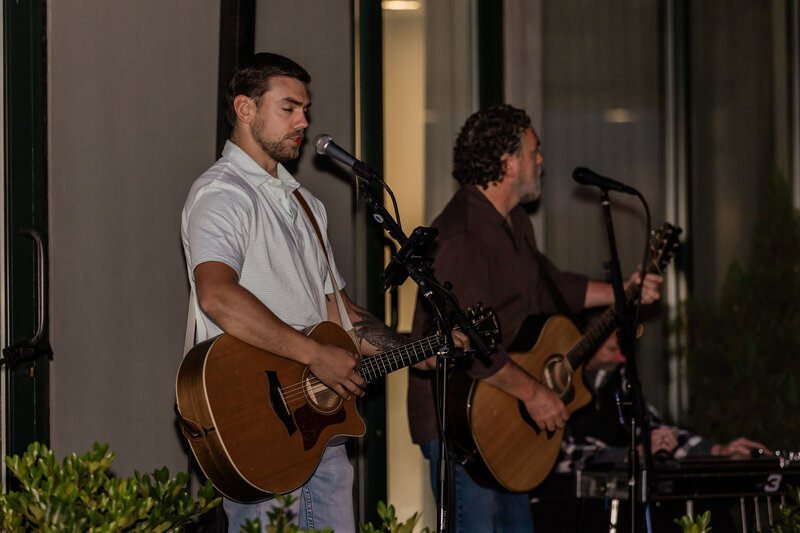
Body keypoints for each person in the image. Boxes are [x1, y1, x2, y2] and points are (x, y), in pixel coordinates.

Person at [181, 52, 456, 533]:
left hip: (322, 425)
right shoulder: (221, 193)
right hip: (258, 425)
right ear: (245, 109)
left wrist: (418, 351)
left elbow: (340, 314)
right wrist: (314, 354)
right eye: (289, 108)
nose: (303, 122)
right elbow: (217, 296)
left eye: (305, 109)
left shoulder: (305, 204)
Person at [407, 103, 663, 532]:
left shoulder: (514, 221)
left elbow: (551, 287)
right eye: (533, 151)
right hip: (466, 421)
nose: (540, 160)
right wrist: (534, 394)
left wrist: (625, 290)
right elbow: (463, 344)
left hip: (506, 414)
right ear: (508, 163)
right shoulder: (464, 234)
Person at [557, 331, 767, 473]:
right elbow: (565, 457)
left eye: (624, 351)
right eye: (613, 350)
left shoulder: (617, 380)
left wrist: (717, 451)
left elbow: (655, 430)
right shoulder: (556, 384)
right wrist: (631, 454)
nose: (622, 358)